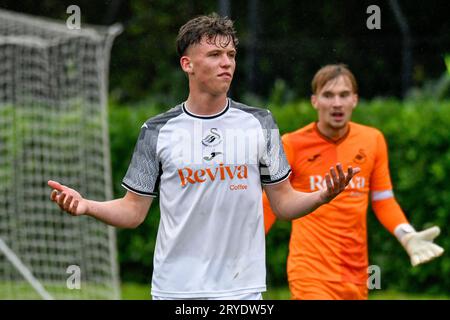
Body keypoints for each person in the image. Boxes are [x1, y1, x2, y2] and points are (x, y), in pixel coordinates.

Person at [47, 14, 359, 300]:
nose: (227, 63)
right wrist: (87, 206)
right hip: (175, 289)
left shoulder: (260, 123)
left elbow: (284, 203)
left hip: (242, 289)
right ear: (187, 64)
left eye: (231, 55)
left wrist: (322, 195)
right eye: (214, 55)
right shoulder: (157, 130)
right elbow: (133, 211)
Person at [263, 64, 445, 300]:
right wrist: (241, 248)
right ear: (314, 101)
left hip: (356, 273)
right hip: (309, 271)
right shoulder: (291, 144)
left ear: (355, 100)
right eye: (328, 95)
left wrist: (407, 235)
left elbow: (383, 200)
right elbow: (271, 203)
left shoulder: (373, 140)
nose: (337, 103)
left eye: (344, 95)